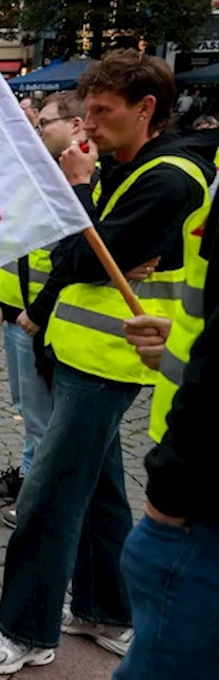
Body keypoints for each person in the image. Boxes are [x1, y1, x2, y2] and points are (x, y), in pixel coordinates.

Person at [0, 50, 219, 675]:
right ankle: (109, 614)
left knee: (49, 497)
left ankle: (26, 632)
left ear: (147, 110)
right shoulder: (125, 167)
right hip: (84, 351)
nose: (90, 125)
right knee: (104, 495)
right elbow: (78, 251)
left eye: (104, 112)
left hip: (112, 360)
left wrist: (79, 194)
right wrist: (88, 230)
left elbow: (79, 256)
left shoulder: (170, 178)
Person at [116, 134, 219, 680]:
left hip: (197, 507)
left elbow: (90, 249)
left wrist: (170, 500)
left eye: (103, 108)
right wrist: (181, 337)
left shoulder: (170, 174)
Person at [0, 92, 86, 518]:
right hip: (17, 307)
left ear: (74, 124)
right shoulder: (39, 171)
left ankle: (39, 498)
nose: (37, 130)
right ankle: (28, 475)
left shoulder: (77, 179)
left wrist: (36, 309)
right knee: (28, 407)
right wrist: (5, 301)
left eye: (44, 122)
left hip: (41, 314)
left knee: (43, 414)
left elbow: (72, 254)